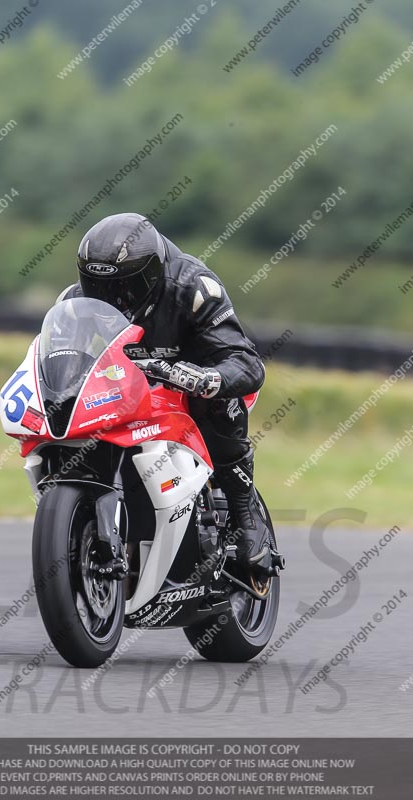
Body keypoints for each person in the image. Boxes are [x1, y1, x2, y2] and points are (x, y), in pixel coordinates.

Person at [56, 212, 273, 576]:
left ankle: (243, 509)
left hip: (190, 384)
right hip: (126, 389)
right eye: (99, 285)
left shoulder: (195, 288)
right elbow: (58, 360)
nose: (113, 297)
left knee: (216, 404)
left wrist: (206, 378)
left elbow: (246, 362)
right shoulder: (74, 303)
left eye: (125, 286)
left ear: (153, 274)